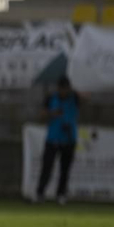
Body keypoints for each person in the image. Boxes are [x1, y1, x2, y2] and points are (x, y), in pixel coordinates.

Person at [34, 76, 79, 206]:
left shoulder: (74, 98)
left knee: (65, 169)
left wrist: (77, 86)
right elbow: (41, 114)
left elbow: (87, 98)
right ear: (58, 88)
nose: (64, 92)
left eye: (66, 89)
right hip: (53, 139)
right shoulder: (51, 98)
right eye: (62, 89)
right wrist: (53, 113)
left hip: (69, 139)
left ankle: (61, 194)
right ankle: (40, 193)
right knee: (46, 167)